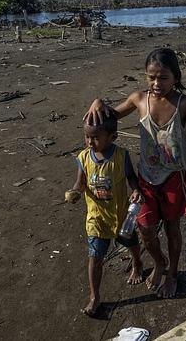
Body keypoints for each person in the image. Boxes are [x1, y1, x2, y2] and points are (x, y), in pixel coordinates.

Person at [85, 47, 186, 298]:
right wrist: (98, 102)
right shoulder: (138, 100)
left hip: (175, 178)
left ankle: (172, 273)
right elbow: (108, 116)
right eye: (151, 77)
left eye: (163, 78)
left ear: (176, 77)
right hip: (146, 179)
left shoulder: (184, 104)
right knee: (145, 229)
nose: (156, 83)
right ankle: (159, 262)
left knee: (173, 228)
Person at [66, 114, 144, 316]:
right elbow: (80, 182)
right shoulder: (83, 157)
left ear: (113, 136)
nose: (90, 142)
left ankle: (137, 261)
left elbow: (132, 179)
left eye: (96, 138)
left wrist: (136, 190)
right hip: (97, 218)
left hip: (119, 215)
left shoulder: (121, 156)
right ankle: (95, 296)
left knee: (131, 241)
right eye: (87, 137)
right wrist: (75, 191)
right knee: (95, 257)